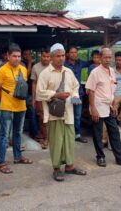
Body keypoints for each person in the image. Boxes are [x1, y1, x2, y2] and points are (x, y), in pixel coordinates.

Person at [37, 43, 87, 181]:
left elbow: (75, 86)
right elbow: (39, 93)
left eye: (63, 55)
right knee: (57, 141)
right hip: (54, 114)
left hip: (69, 112)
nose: (61, 58)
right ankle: (57, 168)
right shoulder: (45, 74)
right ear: (52, 57)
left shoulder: (69, 72)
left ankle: (70, 167)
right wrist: (56, 95)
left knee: (69, 140)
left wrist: (75, 96)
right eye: (58, 56)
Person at [86, 48, 121, 168]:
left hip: (109, 105)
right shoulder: (95, 72)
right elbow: (90, 92)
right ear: (101, 58)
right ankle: (100, 157)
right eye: (105, 57)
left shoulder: (111, 71)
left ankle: (119, 158)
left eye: (109, 57)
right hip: (98, 106)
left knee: (114, 132)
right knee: (98, 133)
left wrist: (113, 104)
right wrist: (93, 109)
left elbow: (111, 89)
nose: (108, 60)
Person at [0, 44, 33, 174]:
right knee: (4, 135)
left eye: (19, 56)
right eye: (14, 56)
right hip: (7, 107)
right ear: (8, 56)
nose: (17, 58)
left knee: (18, 132)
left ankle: (17, 157)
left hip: (21, 106)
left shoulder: (22, 69)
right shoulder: (2, 70)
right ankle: (1, 162)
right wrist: (5, 101)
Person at [64, 46, 90, 143]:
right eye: (72, 52)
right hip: (67, 94)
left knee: (77, 116)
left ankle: (77, 135)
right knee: (67, 114)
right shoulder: (65, 64)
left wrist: (96, 58)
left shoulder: (80, 63)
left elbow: (89, 62)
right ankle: (68, 134)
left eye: (75, 52)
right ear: (68, 54)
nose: (74, 54)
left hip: (78, 94)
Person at [31, 48, 51, 149]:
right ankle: (45, 138)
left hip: (53, 98)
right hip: (40, 97)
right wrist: (34, 98)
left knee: (53, 119)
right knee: (42, 118)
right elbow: (34, 83)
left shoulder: (54, 66)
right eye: (44, 56)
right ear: (41, 56)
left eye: (48, 56)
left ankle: (52, 138)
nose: (46, 58)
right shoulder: (35, 67)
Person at [22, 48, 39, 140]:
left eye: (29, 54)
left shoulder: (35, 65)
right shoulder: (21, 64)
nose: (27, 56)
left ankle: (34, 133)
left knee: (33, 114)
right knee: (20, 115)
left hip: (30, 94)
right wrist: (29, 62)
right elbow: (25, 75)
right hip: (21, 95)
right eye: (25, 54)